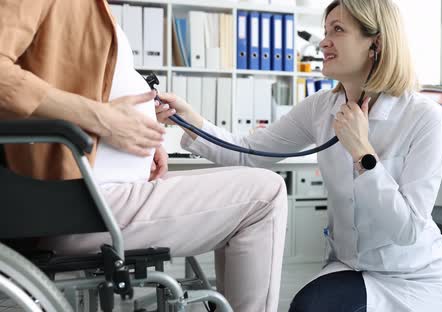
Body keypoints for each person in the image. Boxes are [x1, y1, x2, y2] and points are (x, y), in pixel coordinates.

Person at [155, 0, 442, 311]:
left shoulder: (424, 117)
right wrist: (189, 120)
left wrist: (362, 152)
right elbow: (248, 153)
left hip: (414, 278)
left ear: (376, 44)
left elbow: (407, 230)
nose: (324, 41)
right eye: (325, 30)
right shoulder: (319, 108)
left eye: (338, 30)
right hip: (350, 267)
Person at [0, 1, 288, 311]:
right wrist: (103, 120)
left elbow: (76, 85)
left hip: (98, 194)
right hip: (81, 205)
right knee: (266, 194)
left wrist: (144, 138)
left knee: (250, 186)